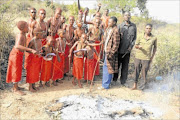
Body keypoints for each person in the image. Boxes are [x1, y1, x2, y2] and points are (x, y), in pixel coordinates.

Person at [6, 21, 37, 95]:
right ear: (22, 28)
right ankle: (15, 89)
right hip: (15, 55)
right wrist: (30, 49)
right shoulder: (20, 35)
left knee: (18, 70)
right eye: (27, 27)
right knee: (15, 70)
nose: (28, 28)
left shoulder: (23, 34)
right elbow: (17, 46)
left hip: (19, 55)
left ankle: (17, 86)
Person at [112, 11, 137, 87]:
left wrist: (131, 47)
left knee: (125, 67)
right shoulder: (120, 26)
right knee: (117, 66)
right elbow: (116, 38)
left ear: (130, 16)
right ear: (123, 17)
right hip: (119, 50)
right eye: (126, 15)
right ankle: (114, 80)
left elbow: (135, 38)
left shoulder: (133, 26)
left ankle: (123, 81)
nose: (127, 16)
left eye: (128, 15)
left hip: (127, 51)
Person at [131, 24, 157, 90]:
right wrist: (138, 47)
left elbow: (155, 48)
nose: (148, 30)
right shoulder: (140, 36)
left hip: (147, 58)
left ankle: (142, 87)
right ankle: (135, 85)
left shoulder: (154, 38)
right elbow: (135, 45)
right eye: (147, 28)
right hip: (138, 56)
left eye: (149, 28)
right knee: (136, 70)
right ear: (144, 29)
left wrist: (152, 57)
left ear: (151, 29)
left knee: (144, 72)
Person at [99, 16, 120, 89]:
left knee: (107, 68)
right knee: (107, 68)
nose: (109, 23)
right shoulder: (110, 29)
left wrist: (111, 53)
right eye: (108, 22)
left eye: (110, 22)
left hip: (110, 53)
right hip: (106, 51)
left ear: (114, 22)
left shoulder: (116, 31)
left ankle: (105, 86)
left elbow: (116, 44)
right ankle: (106, 84)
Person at [26, 28, 43, 92]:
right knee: (31, 73)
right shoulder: (32, 41)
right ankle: (30, 87)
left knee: (36, 72)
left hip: (38, 59)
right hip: (33, 59)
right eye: (41, 34)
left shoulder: (40, 40)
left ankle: (34, 85)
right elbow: (27, 49)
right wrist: (33, 52)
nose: (42, 35)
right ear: (36, 34)